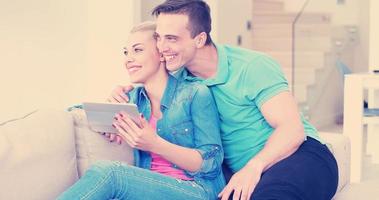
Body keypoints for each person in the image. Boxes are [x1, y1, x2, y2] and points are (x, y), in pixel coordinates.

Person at [111, 1, 339, 200]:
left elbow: (292, 130)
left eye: (171, 38)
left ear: (199, 39)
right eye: (159, 38)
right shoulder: (179, 79)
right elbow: (147, 88)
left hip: (298, 155)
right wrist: (119, 95)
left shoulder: (251, 66)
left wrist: (253, 168)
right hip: (235, 171)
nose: (161, 47)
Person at [57, 21, 225, 200]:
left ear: (161, 54)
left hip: (196, 189)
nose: (128, 59)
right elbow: (74, 111)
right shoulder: (133, 99)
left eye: (137, 50)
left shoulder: (195, 93)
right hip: (150, 188)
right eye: (126, 52)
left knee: (110, 174)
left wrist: (155, 144)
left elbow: (211, 162)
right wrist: (108, 105)